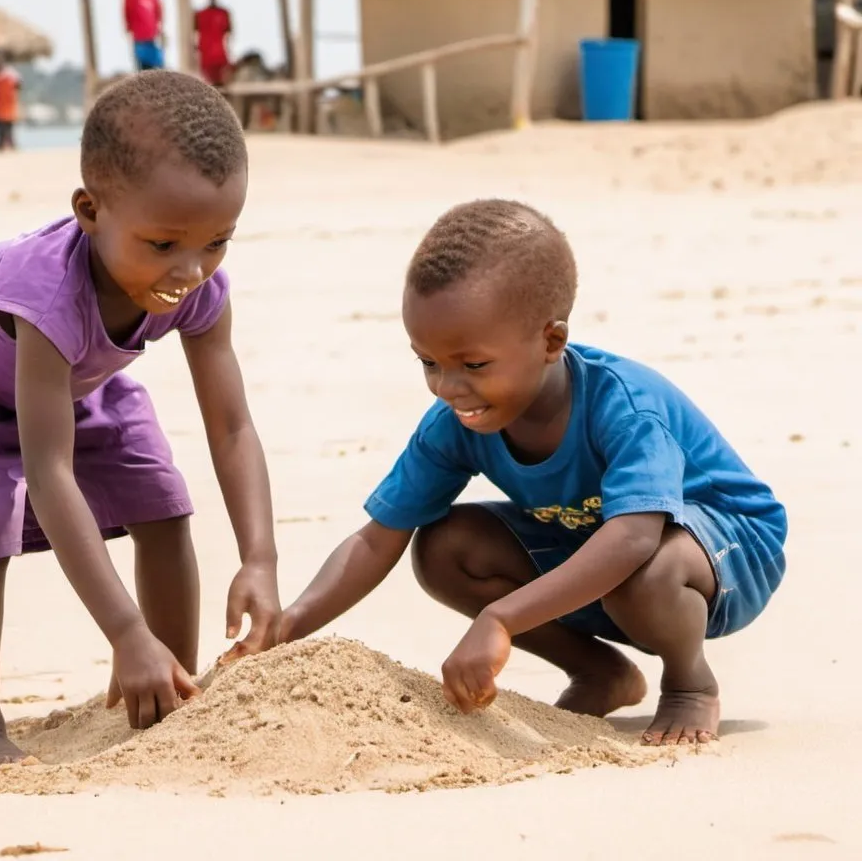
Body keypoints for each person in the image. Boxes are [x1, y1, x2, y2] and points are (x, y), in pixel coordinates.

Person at [278, 199, 787, 747]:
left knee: (642, 569)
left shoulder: (624, 408)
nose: (449, 387)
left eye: (473, 365)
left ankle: (691, 682)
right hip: (602, 545)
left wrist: (500, 619)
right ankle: (600, 672)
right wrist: (285, 628)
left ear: (551, 342)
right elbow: (378, 540)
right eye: (429, 363)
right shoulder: (455, 423)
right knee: (444, 548)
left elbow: (634, 537)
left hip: (725, 552)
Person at [0, 71, 281, 770]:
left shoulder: (195, 284)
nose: (190, 269)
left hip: (70, 381)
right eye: (163, 245)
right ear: (90, 211)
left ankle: (166, 685)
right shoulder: (46, 292)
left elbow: (232, 426)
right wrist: (123, 628)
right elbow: (48, 471)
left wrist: (260, 555)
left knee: (161, 500)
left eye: (217, 241)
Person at [124, 0, 164, 71]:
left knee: (158, 71)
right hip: (139, 43)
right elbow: (127, 22)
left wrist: (161, 35)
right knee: (143, 73)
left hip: (153, 42)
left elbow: (159, 18)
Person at [194, 0, 232, 87]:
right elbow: (194, 37)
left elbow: (229, 36)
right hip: (206, 61)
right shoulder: (199, 15)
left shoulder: (224, 13)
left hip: (221, 59)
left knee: (222, 92)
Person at [0, 54, 22, 151]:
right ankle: (10, 144)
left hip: (2, 105)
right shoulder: (14, 74)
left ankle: (2, 144)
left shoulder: (0, 75)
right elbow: (19, 86)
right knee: (9, 127)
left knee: (3, 127)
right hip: (7, 104)